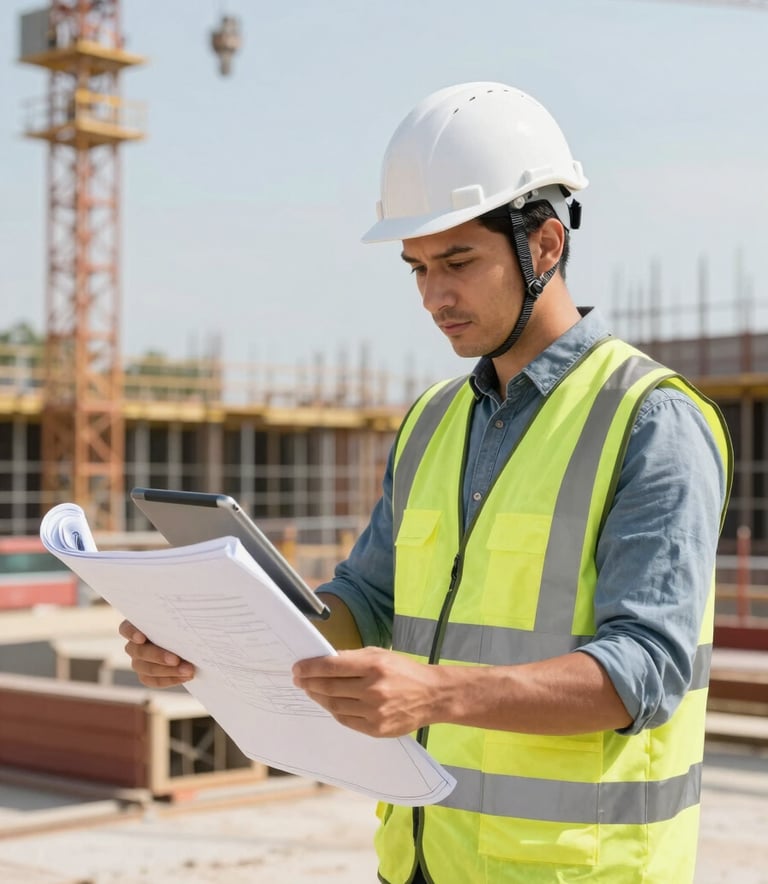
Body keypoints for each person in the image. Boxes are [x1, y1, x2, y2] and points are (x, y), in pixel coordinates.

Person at [120, 82, 733, 882]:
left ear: (545, 245)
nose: (434, 296)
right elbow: (366, 605)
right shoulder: (433, 423)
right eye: (416, 268)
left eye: (458, 262)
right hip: (422, 863)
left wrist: (437, 693)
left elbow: (645, 672)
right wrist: (209, 636)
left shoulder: (651, 422)